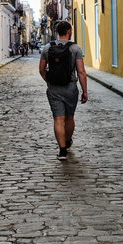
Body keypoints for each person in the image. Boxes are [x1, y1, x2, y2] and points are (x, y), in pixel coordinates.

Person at [39, 20, 88, 161]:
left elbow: (41, 69)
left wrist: (48, 81)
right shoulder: (76, 49)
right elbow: (81, 72)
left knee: (58, 119)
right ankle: (67, 142)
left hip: (54, 88)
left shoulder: (48, 48)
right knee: (69, 118)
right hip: (71, 87)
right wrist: (84, 91)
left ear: (57, 32)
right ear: (69, 31)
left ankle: (61, 152)